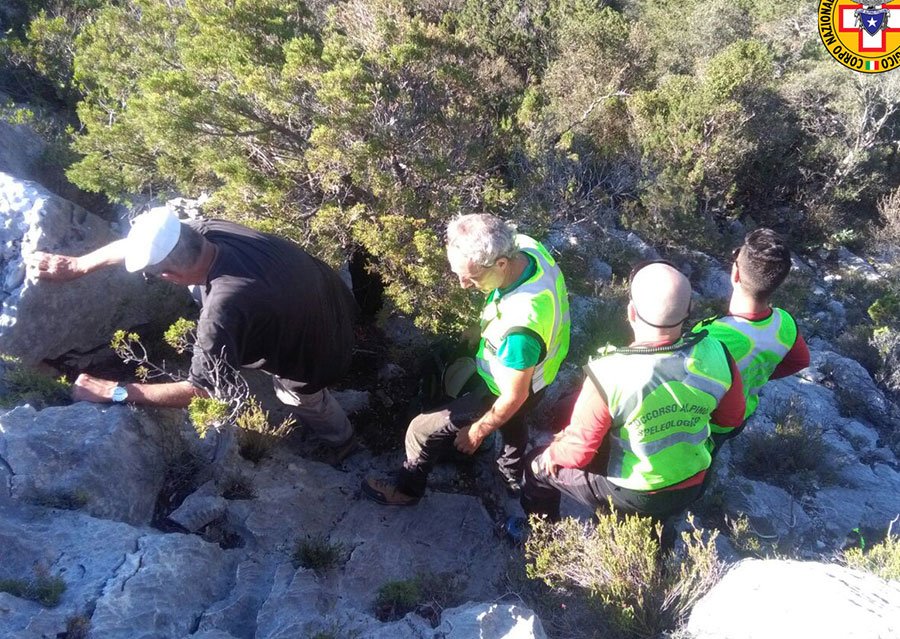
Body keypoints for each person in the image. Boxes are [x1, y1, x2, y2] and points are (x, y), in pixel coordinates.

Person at [29, 207, 360, 462]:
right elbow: (148, 243)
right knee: (210, 300)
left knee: (298, 397)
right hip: (333, 301)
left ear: (169, 276)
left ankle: (343, 441)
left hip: (319, 355)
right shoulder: (207, 230)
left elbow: (202, 391)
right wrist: (78, 266)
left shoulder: (222, 312)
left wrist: (114, 392)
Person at [362, 213, 570, 505]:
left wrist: (477, 431)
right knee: (515, 423)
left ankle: (407, 491)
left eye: (473, 277)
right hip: (540, 376)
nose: (463, 284)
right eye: (459, 274)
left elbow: (514, 396)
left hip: (508, 388)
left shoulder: (521, 328)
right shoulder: (525, 247)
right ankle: (511, 476)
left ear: (501, 263)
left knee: (420, 430)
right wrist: (482, 326)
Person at [520, 261, 746, 523]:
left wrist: (552, 453)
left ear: (631, 312)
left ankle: (545, 532)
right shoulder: (718, 353)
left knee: (535, 467)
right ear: (689, 309)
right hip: (694, 481)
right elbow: (731, 419)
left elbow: (579, 452)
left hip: (635, 492)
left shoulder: (608, 373)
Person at [692, 228, 810, 448]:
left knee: (703, 459)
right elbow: (801, 361)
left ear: (735, 274)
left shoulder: (711, 335)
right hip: (743, 412)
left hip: (707, 423)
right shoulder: (785, 323)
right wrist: (757, 374)